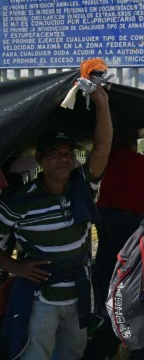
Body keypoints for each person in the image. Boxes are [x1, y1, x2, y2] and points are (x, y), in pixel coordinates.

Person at [0, 86, 112, 360]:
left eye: (67, 151)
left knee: (72, 354)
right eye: (53, 152)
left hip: (78, 295)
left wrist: (101, 103)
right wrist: (15, 266)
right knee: (36, 354)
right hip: (40, 299)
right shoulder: (17, 201)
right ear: (39, 160)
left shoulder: (82, 188)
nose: (62, 157)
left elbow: (102, 149)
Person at [94, 130, 144, 315]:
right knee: (120, 258)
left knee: (103, 254)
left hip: (103, 211)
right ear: (132, 143)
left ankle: (98, 296)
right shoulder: (135, 159)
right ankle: (113, 297)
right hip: (125, 215)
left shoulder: (110, 158)